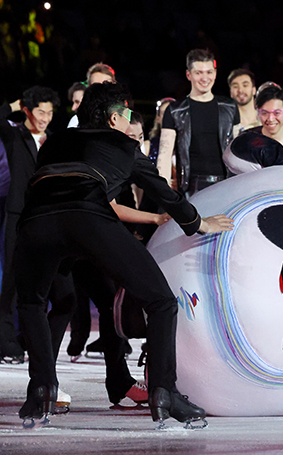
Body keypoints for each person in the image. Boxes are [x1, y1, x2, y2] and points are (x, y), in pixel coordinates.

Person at [15, 82, 233, 426]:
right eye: (129, 113)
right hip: (88, 218)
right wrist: (197, 223)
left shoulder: (55, 142)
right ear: (115, 118)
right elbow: (162, 190)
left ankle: (41, 390)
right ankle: (165, 392)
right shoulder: (124, 144)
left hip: (34, 223)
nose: (132, 119)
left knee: (32, 304)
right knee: (161, 301)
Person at [0, 86, 59, 362]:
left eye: (49, 112)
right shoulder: (15, 134)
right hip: (17, 213)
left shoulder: (55, 141)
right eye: (40, 111)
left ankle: (28, 335)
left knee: (40, 279)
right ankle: (5, 337)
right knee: (11, 276)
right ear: (27, 110)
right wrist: (14, 103)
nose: (45, 117)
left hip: (45, 215)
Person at [157, 49, 239, 195]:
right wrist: (164, 193)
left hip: (227, 185)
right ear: (189, 75)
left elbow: (239, 150)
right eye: (198, 73)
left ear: (215, 73)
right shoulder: (175, 110)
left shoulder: (230, 108)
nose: (204, 78)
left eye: (209, 72)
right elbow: (164, 155)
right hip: (190, 188)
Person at [228, 68, 259, 132]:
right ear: (231, 93)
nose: (240, 90)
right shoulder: (227, 124)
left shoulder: (265, 119)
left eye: (245, 85)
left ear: (254, 90)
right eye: (235, 87)